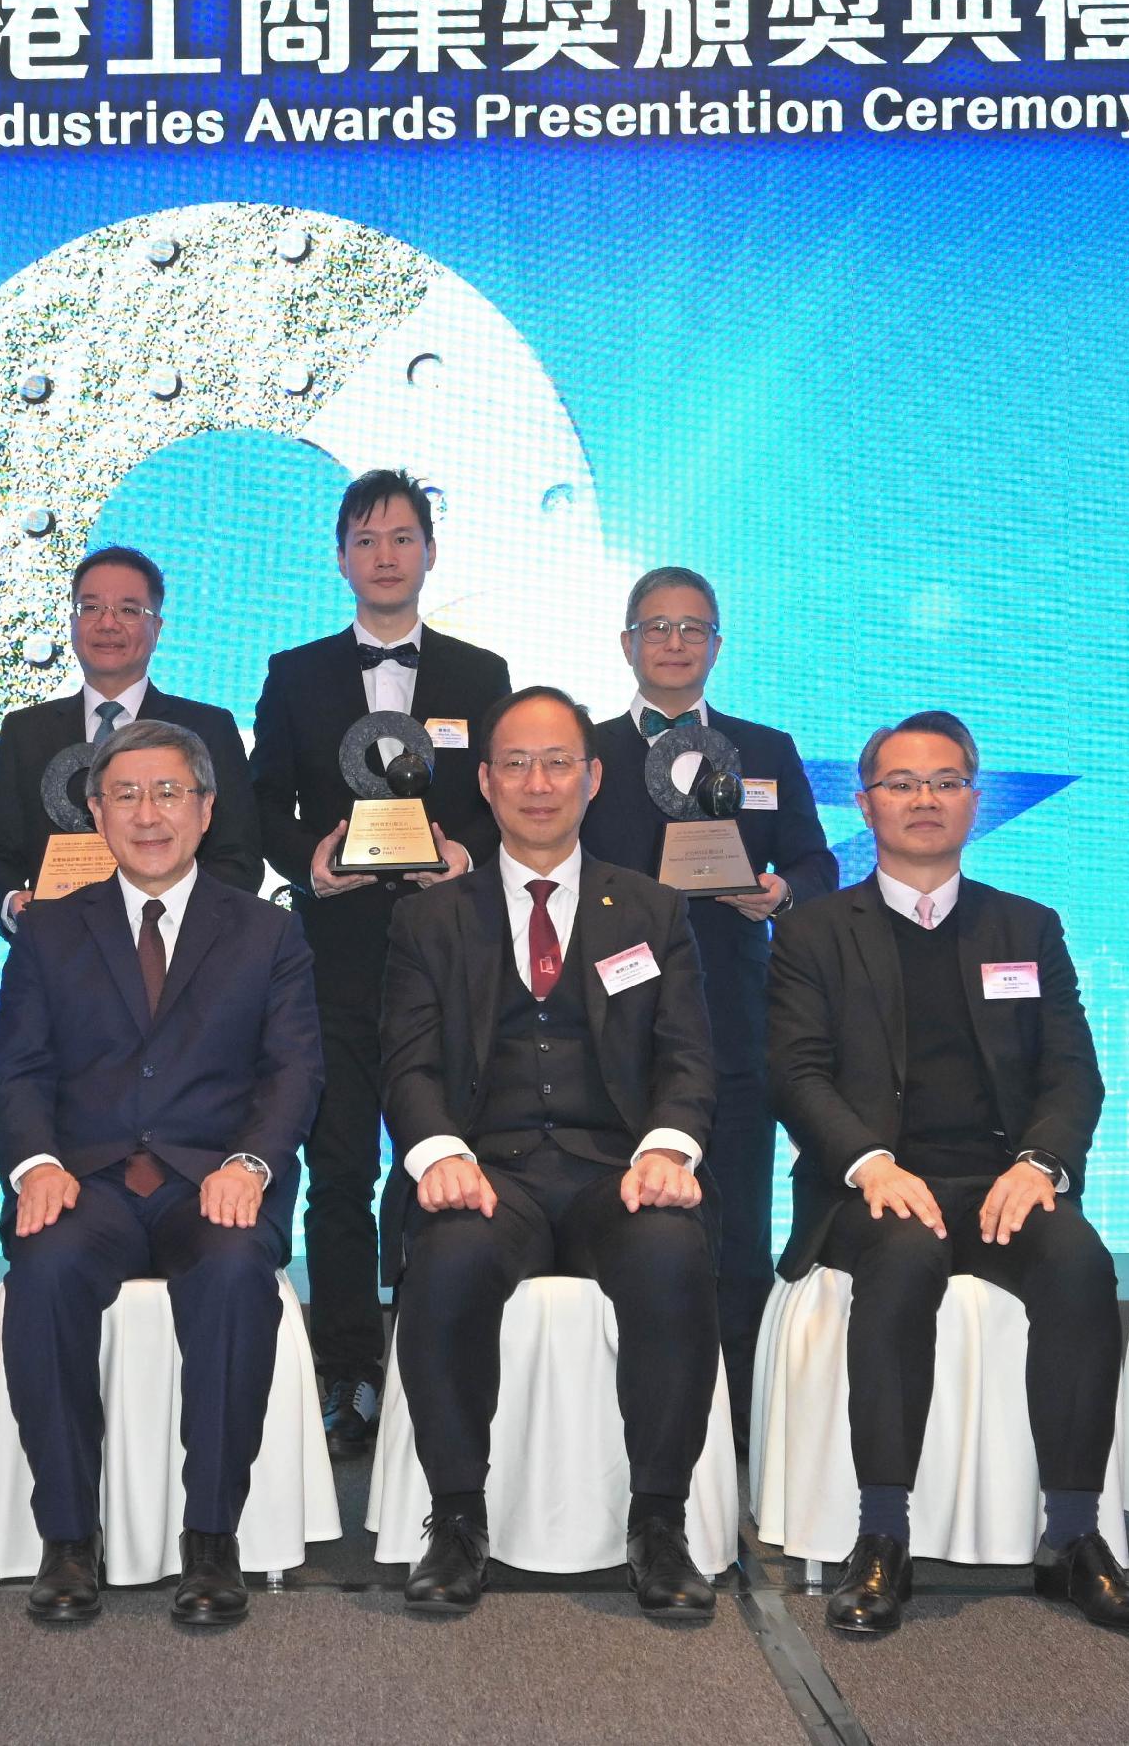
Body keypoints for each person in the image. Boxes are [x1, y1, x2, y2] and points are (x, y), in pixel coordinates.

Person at [763, 710, 1129, 1637]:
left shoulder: (1029, 925)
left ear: (975, 803)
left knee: (1080, 1264)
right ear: (866, 805)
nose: (924, 799)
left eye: (945, 781)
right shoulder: (816, 933)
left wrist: (1041, 1163)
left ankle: (1072, 1539)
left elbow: (1073, 1070)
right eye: (901, 782)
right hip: (871, 1187)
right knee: (901, 1260)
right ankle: (883, 1537)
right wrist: (869, 1162)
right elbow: (797, 1072)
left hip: (1002, 1182)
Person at [383, 685, 723, 1622]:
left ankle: (658, 1523)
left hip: (616, 1171)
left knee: (670, 1255)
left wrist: (666, 1148)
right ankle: (456, 1520)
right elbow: (405, 1065)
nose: (540, 783)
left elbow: (690, 1058)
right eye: (518, 765)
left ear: (595, 775)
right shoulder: (431, 917)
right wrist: (440, 1153)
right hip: (489, 1173)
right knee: (444, 1259)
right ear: (485, 783)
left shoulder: (653, 908)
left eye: (559, 762)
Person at [0, 720, 322, 1627]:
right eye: (126, 794)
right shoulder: (51, 929)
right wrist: (37, 1165)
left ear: (207, 809)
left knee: (228, 1271)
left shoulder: (267, 931)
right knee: (45, 1268)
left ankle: (211, 1538)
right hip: (88, 1181)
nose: (149, 812)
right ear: (94, 812)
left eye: (169, 791)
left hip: (212, 1179)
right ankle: (67, 1538)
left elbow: (294, 1069)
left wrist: (251, 1162)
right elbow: (15, 1070)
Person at [251, 467, 507, 1456]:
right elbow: (263, 799)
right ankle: (347, 1369)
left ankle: (439, 1350)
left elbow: (499, 798)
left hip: (452, 955)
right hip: (340, 955)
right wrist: (307, 861)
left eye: (402, 536)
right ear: (341, 555)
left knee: (445, 1159)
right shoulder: (296, 673)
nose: (385, 555)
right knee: (342, 1167)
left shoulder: (479, 676)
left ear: (430, 549)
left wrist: (467, 853)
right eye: (364, 540)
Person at [578, 568, 835, 1415]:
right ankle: (628, 1416)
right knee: (626, 1229)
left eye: (694, 629)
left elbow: (818, 864)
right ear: (627, 644)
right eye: (658, 628)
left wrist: (780, 892)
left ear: (718, 646)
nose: (676, 643)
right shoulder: (585, 755)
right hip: (610, 1027)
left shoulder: (766, 749)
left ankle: (739, 1428)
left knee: (735, 1232)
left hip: (735, 1013)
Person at [0, 545, 261, 935]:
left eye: (128, 611)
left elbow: (238, 858)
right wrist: (12, 904)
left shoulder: (208, 729)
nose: (107, 624)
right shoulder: (25, 731)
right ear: (72, 623)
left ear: (156, 628)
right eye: (90, 608)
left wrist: (174, 917)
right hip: (53, 959)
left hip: (177, 959)